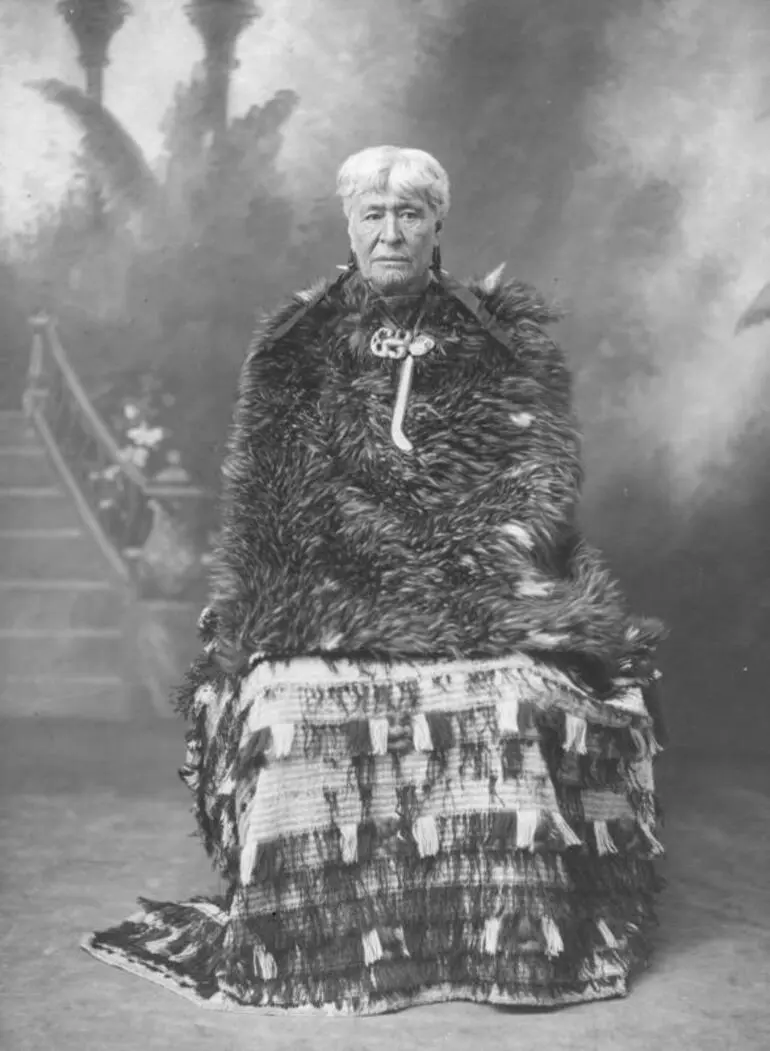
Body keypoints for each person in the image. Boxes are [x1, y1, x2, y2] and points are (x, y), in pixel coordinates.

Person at [84, 145, 667, 1015]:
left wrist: (492, 547)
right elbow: (272, 493)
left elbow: (538, 473)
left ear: (438, 225)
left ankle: (503, 945)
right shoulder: (296, 342)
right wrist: (344, 563)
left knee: (518, 689)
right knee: (288, 699)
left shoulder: (500, 337)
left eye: (410, 215)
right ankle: (319, 947)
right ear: (348, 226)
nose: (391, 232)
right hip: (333, 574)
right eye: (373, 215)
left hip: (477, 568)